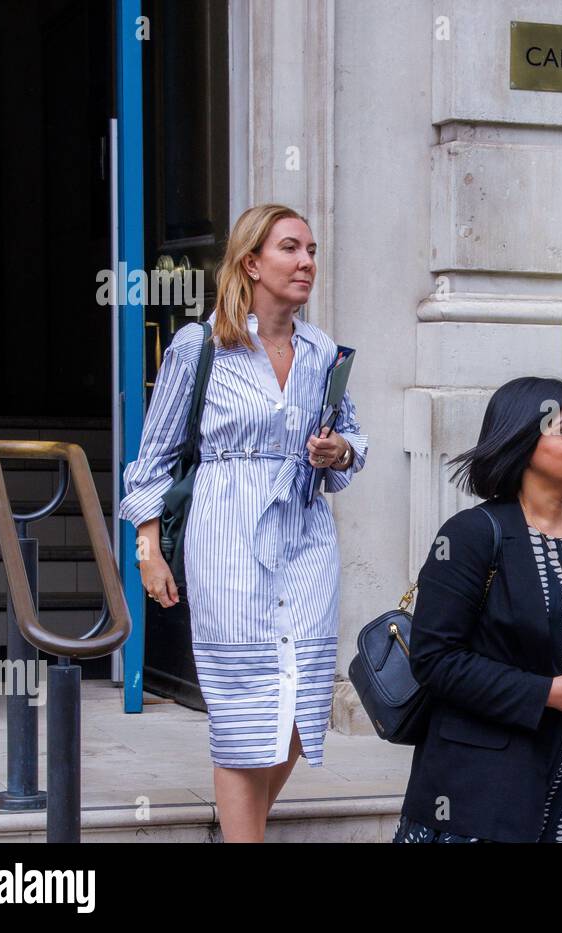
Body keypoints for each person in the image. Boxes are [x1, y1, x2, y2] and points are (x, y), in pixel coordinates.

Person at [121, 204, 367, 843]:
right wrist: (148, 547)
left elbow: (355, 440)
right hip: (227, 540)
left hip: (308, 538)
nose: (307, 261)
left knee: (299, 705)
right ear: (251, 262)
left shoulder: (323, 352)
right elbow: (154, 455)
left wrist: (338, 450)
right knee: (241, 710)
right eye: (290, 248)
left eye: (311, 249)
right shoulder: (199, 346)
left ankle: (240, 832)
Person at [396, 377, 562, 842]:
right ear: (523, 443)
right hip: (483, 785)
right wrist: (545, 693)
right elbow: (434, 661)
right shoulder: (470, 535)